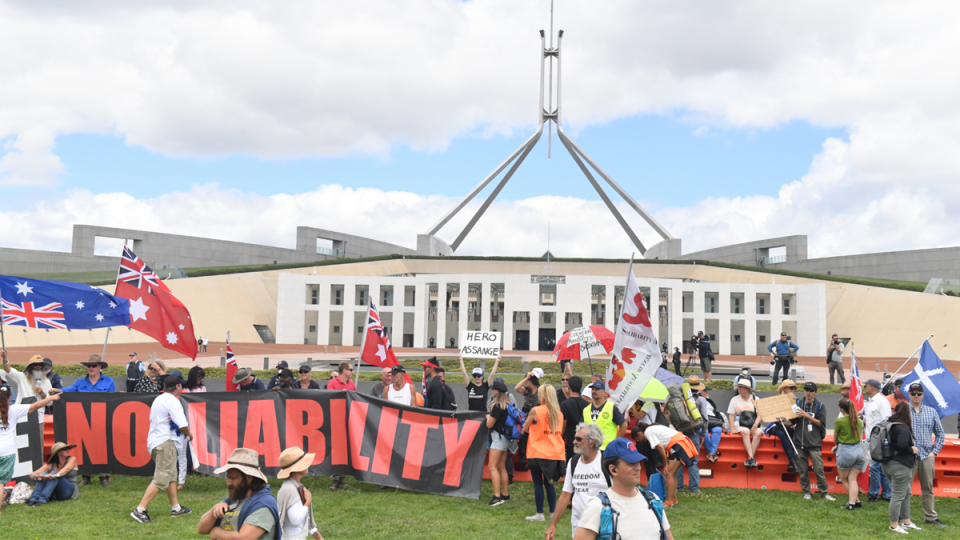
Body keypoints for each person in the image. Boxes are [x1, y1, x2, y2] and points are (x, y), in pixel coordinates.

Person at [574, 437, 674, 540]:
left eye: (638, 462)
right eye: (631, 463)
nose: (638, 467)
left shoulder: (654, 501)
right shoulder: (597, 507)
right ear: (613, 470)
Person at [131, 374, 194, 523]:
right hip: (166, 442)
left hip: (158, 441)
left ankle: (176, 508)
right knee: (162, 477)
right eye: (181, 385)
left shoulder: (160, 399)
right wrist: (190, 435)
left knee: (171, 476)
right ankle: (140, 509)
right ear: (177, 386)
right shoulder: (173, 401)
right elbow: (182, 425)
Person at [49, 353, 116, 486]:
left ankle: (104, 477)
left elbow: (113, 400)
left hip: (101, 421)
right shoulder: (80, 382)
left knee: (103, 448)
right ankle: (86, 476)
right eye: (89, 366)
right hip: (83, 421)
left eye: (94, 365)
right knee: (85, 448)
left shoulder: (109, 382)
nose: (91, 368)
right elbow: (67, 392)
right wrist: (56, 390)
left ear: (100, 367)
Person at [0, 388, 60, 515]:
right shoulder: (13, 409)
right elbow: (35, 406)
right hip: (7, 451)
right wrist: (51, 398)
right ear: (10, 397)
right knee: (1, 482)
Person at [198, 448, 280, 539]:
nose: (228, 483)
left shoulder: (264, 504)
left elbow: (244, 538)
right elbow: (202, 529)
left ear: (249, 477)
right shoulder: (232, 499)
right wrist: (214, 510)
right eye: (228, 478)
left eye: (233, 478)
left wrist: (216, 533)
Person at [545, 423, 608, 540]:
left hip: (603, 526)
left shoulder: (606, 463)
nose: (574, 442)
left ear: (591, 442)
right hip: (579, 525)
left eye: (578, 439)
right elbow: (565, 496)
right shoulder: (573, 463)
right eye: (574, 438)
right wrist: (552, 525)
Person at [523, 384, 565, 522]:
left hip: (537, 451)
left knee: (537, 483)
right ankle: (552, 513)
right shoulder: (559, 413)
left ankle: (539, 514)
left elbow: (525, 428)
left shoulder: (536, 410)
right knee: (550, 483)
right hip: (555, 453)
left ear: (542, 396)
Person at [906, 382, 946, 527]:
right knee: (905, 488)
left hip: (926, 456)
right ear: (909, 394)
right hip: (908, 455)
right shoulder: (903, 411)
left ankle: (931, 518)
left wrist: (934, 452)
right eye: (913, 393)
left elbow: (941, 434)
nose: (916, 396)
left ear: (923, 395)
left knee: (928, 488)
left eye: (919, 393)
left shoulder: (931, 411)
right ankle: (902, 517)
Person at [633, 423, 697, 507]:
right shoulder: (652, 429)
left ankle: (670, 501)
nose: (641, 441)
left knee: (669, 473)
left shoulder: (648, 432)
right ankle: (673, 499)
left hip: (678, 445)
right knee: (672, 474)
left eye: (638, 439)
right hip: (680, 443)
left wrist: (666, 463)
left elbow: (660, 447)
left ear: (639, 433)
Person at [881, 402, 922, 534]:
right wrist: (913, 450)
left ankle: (906, 521)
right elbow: (902, 446)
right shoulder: (903, 428)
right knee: (898, 495)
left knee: (906, 492)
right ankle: (893, 525)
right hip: (900, 466)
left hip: (887, 464)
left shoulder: (889, 425)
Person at [793, 382, 834, 501]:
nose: (808, 392)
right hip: (799, 443)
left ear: (815, 393)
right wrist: (783, 421)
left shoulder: (820, 406)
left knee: (818, 468)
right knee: (803, 469)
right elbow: (792, 421)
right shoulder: (798, 404)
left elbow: (821, 423)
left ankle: (824, 492)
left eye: (811, 390)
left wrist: (807, 415)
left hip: (814, 443)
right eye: (806, 390)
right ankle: (807, 491)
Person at [276, 447, 323, 540]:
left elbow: (306, 523)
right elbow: (295, 520)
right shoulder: (289, 489)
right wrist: (308, 502)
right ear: (296, 468)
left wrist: (320, 538)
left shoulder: (296, 486)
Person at [485, 377, 516, 506]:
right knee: (501, 467)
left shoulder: (498, 406)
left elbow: (489, 424)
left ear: (497, 391)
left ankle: (497, 496)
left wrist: (488, 415)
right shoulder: (509, 404)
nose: (492, 391)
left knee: (492, 466)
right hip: (507, 438)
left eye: (493, 389)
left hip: (498, 438)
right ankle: (505, 494)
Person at [862, 378, 893, 503]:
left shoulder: (882, 402)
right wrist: (861, 417)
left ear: (872, 388)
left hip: (878, 439)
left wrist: (881, 438)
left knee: (874, 467)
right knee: (880, 468)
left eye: (866, 386)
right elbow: (870, 420)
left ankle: (873, 494)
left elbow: (886, 420)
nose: (865, 388)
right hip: (871, 438)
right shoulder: (870, 402)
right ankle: (886, 494)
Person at [832, 397, 865, 509]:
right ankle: (856, 502)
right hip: (859, 451)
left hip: (845, 450)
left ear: (841, 409)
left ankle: (852, 503)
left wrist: (836, 445)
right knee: (853, 479)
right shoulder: (859, 421)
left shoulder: (840, 421)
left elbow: (835, 437)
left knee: (844, 479)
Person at [674, 375, 704, 494]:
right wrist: (704, 434)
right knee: (693, 462)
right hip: (693, 432)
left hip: (679, 433)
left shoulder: (678, 400)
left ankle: (678, 487)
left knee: (678, 460)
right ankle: (693, 488)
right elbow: (705, 419)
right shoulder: (700, 400)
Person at [26, 441, 79, 506]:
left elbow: (66, 469)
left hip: (70, 491)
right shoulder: (51, 465)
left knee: (54, 473)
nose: (68, 450)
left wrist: (55, 475)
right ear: (58, 453)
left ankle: (42, 500)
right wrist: (37, 476)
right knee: (43, 474)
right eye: (65, 449)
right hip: (56, 493)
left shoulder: (72, 459)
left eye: (68, 448)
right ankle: (33, 500)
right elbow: (31, 474)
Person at [764, 379, 799, 472]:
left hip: (788, 426)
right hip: (775, 426)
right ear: (784, 389)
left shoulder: (796, 402)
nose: (793, 390)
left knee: (796, 433)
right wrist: (779, 419)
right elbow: (771, 416)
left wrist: (795, 424)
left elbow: (796, 418)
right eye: (791, 388)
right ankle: (793, 462)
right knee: (782, 433)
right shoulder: (777, 401)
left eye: (794, 388)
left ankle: (792, 463)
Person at [727, 379, 762, 468]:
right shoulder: (734, 399)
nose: (739, 389)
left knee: (758, 433)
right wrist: (732, 428)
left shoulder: (755, 399)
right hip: (740, 423)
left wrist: (755, 425)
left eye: (741, 387)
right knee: (745, 432)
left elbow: (760, 415)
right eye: (738, 387)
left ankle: (750, 459)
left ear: (747, 389)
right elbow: (731, 415)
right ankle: (751, 458)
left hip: (754, 422)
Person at [583, 381, 625, 450]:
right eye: (593, 389)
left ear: (604, 392)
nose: (594, 391)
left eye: (597, 389)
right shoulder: (586, 409)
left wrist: (617, 442)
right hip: (590, 449)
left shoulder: (611, 407)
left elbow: (623, 424)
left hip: (607, 449)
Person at [559, 376, 590, 460]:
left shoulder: (565, 404)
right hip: (584, 440)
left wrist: (559, 438)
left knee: (571, 464)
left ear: (569, 387)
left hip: (570, 441)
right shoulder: (586, 404)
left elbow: (563, 425)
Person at [697, 386, 727, 463]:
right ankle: (712, 453)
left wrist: (723, 424)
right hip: (702, 420)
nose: (707, 392)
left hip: (713, 419)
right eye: (705, 391)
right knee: (703, 430)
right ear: (699, 391)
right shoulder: (696, 400)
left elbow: (716, 412)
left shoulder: (709, 401)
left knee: (718, 429)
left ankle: (711, 453)